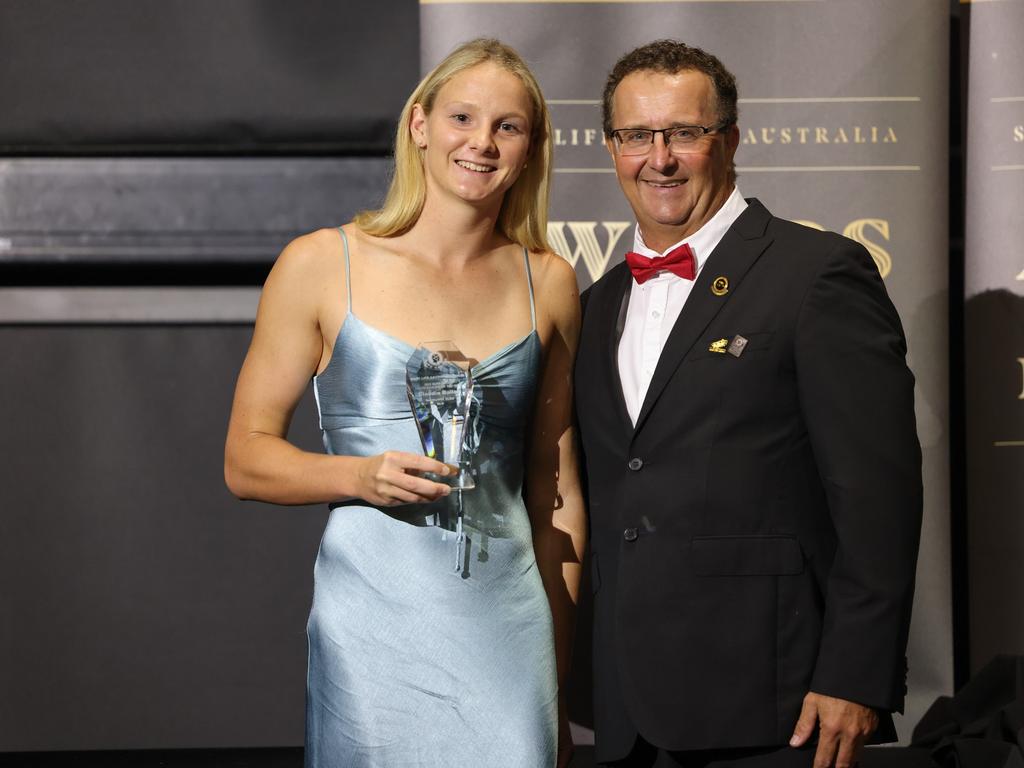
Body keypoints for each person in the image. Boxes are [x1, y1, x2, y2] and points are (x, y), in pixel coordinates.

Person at [224, 38, 585, 768]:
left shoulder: (548, 280)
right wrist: (357, 477)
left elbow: (558, 493)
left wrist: (559, 673)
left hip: (507, 631)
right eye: (462, 117)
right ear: (419, 125)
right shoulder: (323, 263)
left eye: (507, 127)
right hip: (371, 629)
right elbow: (245, 459)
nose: (481, 143)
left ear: (530, 149)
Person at [574, 40, 922, 768]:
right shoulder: (595, 304)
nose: (659, 158)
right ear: (612, 147)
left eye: (685, 134)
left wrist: (855, 675)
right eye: (637, 135)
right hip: (626, 712)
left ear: (728, 140)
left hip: (777, 706)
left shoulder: (817, 274)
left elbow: (878, 497)